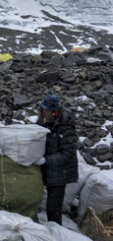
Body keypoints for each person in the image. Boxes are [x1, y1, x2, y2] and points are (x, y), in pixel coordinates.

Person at [34, 95, 78, 225]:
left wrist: (45, 160)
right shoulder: (42, 120)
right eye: (42, 111)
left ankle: (57, 232)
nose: (44, 114)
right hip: (47, 168)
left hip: (60, 172)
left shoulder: (65, 127)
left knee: (53, 208)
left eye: (47, 112)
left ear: (55, 112)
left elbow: (68, 153)